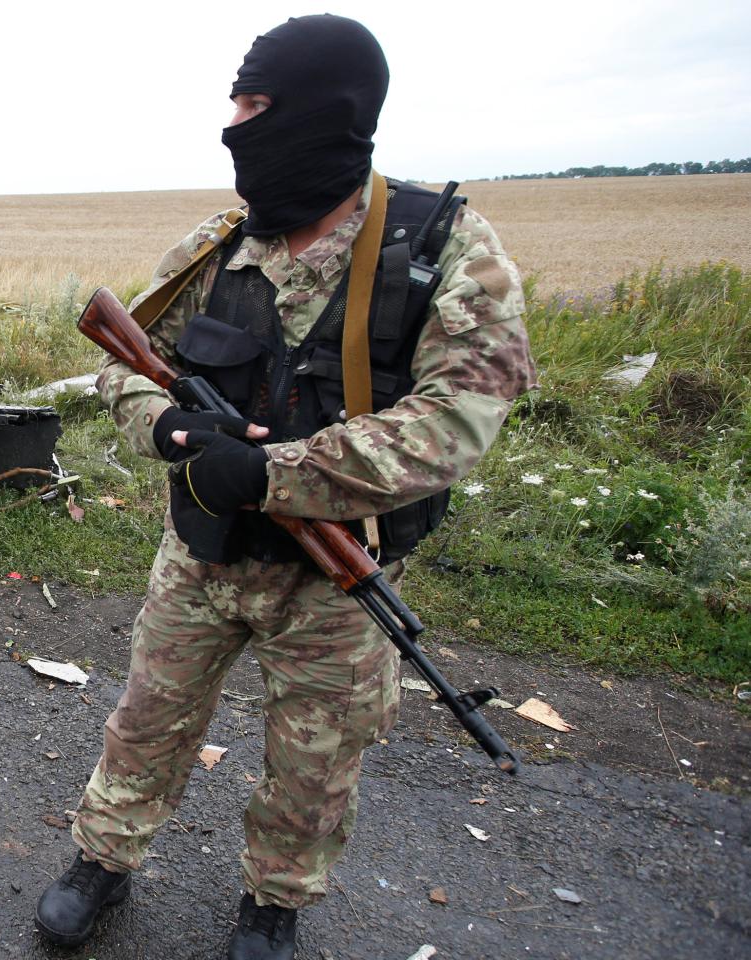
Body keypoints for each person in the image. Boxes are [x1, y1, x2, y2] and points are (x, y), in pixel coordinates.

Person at [34, 14, 535, 960]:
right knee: (146, 721)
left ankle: (274, 905)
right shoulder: (220, 242)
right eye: (235, 102)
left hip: (334, 575)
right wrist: (170, 425)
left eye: (257, 105)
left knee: (314, 763)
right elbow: (126, 364)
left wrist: (274, 471)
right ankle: (102, 861)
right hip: (201, 553)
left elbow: (458, 422)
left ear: (329, 113)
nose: (235, 125)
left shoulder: (446, 248)